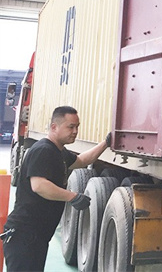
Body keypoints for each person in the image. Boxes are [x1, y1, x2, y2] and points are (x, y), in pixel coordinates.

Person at [1, 105, 111, 272]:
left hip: (36, 236)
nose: (75, 131)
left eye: (77, 127)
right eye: (70, 127)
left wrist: (106, 143)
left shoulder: (58, 152)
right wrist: (72, 196)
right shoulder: (43, 150)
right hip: (24, 235)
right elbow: (39, 185)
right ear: (54, 127)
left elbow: (82, 161)